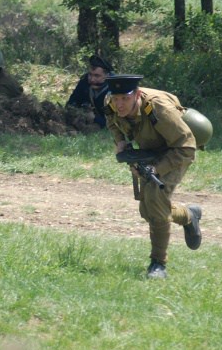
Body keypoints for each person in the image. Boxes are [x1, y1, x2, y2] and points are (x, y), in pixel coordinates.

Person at [104, 74, 203, 279]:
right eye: (116, 98)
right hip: (149, 151)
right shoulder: (111, 102)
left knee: (156, 203)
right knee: (148, 209)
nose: (119, 104)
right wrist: (120, 142)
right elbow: (112, 121)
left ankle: (158, 264)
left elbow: (187, 147)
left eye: (125, 98)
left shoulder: (158, 109)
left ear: (137, 95)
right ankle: (188, 216)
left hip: (175, 151)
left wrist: (157, 169)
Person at [67, 55, 114, 128]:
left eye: (97, 76)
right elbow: (72, 102)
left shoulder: (115, 89)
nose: (92, 79)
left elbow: (115, 122)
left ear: (107, 76)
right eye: (90, 75)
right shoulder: (84, 82)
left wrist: (95, 119)